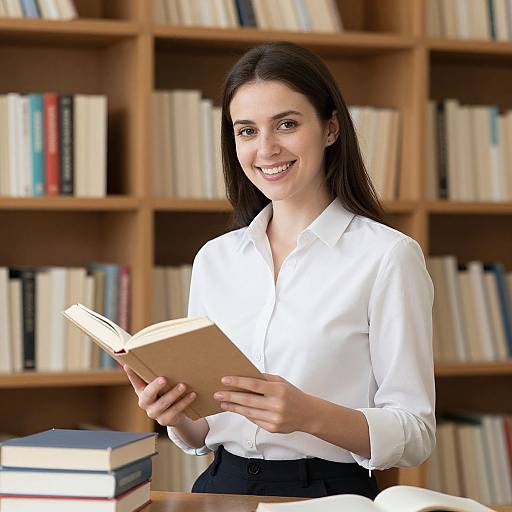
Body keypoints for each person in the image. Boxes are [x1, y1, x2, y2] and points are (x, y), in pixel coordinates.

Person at [124, 41, 435, 499]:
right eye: (246, 131)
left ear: (330, 129)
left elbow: (416, 433)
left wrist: (308, 415)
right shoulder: (216, 258)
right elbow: (203, 434)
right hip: (219, 487)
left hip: (328, 494)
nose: (266, 149)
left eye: (286, 124)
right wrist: (176, 416)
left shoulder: (388, 257)